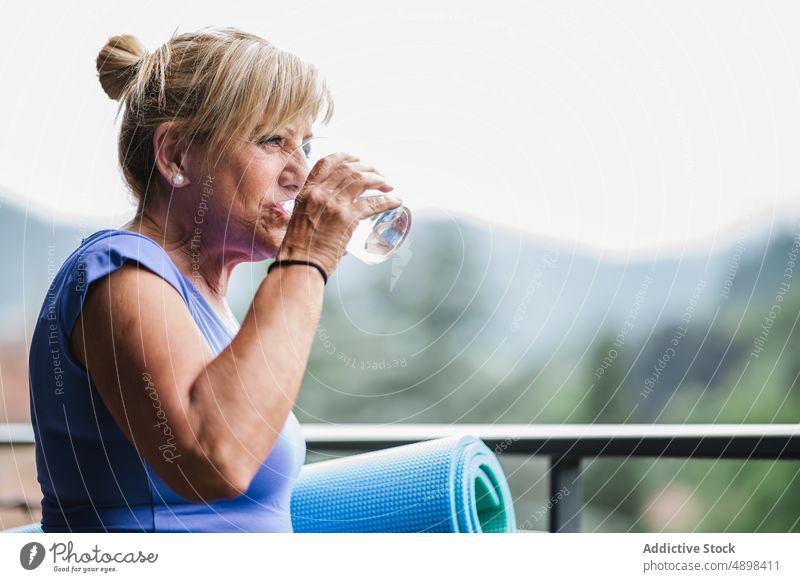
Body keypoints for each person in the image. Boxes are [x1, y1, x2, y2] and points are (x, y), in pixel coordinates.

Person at [27, 26, 401, 532]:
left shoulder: (203, 302)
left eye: (306, 145)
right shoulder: (122, 273)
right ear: (176, 155)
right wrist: (306, 259)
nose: (301, 173)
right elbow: (215, 457)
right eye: (272, 140)